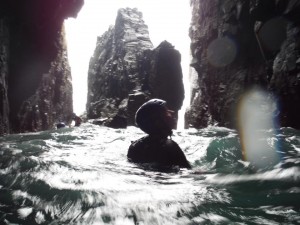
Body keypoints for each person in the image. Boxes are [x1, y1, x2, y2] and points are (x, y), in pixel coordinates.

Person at [127, 99, 191, 169]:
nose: (172, 112)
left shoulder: (134, 146)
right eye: (167, 112)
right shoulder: (170, 146)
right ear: (158, 122)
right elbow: (187, 171)